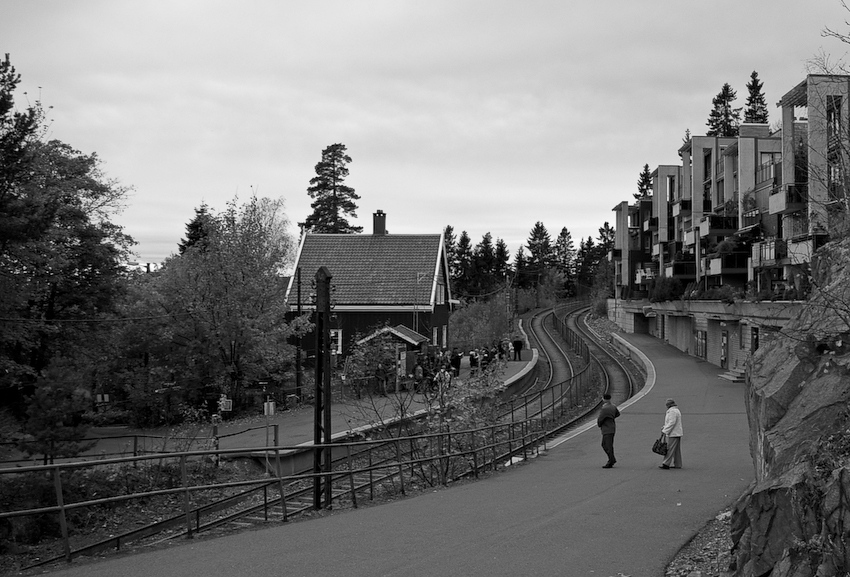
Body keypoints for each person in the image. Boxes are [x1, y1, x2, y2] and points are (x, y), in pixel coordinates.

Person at [596, 393, 620, 468]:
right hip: (612, 427)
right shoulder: (613, 406)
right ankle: (611, 459)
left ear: (603, 399)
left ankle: (611, 460)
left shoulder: (604, 408)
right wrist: (611, 417)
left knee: (607, 445)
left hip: (607, 428)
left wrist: (600, 424)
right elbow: (618, 414)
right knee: (607, 444)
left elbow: (600, 419)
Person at [659, 398, 683, 469]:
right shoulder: (676, 410)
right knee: (676, 449)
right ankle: (678, 464)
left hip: (673, 433)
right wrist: (664, 427)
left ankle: (666, 463)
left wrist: (665, 430)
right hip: (677, 432)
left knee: (670, 448)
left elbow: (671, 422)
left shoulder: (672, 412)